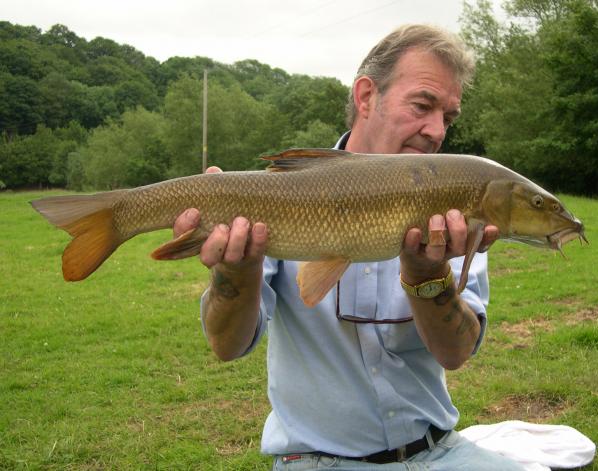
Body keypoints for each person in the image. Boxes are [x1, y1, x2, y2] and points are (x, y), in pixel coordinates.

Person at [174, 24, 526, 470]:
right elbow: (226, 346)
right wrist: (235, 274)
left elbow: (456, 354)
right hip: (316, 460)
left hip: (438, 451)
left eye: (448, 118)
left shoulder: (456, 208)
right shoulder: (279, 194)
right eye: (423, 105)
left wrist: (427, 277)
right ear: (366, 97)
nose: (437, 130)